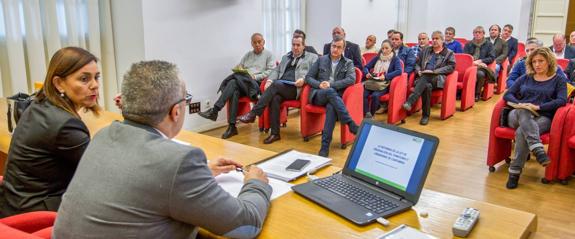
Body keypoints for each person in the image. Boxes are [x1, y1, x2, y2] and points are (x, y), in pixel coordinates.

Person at [52, 60, 272, 238]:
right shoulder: (179, 161)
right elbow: (246, 226)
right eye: (186, 100)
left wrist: (202, 172)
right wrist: (255, 184)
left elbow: (142, 179)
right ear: (175, 112)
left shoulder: (103, 136)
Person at [0, 47, 100, 218]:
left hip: (14, 202)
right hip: (36, 213)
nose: (95, 85)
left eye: (96, 77)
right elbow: (102, 170)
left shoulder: (40, 104)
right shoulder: (65, 124)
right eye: (84, 79)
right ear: (59, 83)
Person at [503, 47, 567, 189]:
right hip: (517, 114)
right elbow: (507, 95)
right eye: (534, 62)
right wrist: (522, 104)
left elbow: (562, 100)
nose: (537, 64)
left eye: (541, 61)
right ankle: (538, 149)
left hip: (543, 116)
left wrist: (538, 107)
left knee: (521, 132)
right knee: (524, 112)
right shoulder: (526, 77)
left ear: (549, 61)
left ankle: (514, 172)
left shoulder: (559, 80)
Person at [237, 36, 318, 144]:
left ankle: (253, 113)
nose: (295, 47)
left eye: (298, 45)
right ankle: (275, 134)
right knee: (275, 98)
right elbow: (276, 70)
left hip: (297, 88)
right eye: (293, 45)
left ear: (304, 46)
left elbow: (314, 74)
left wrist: (303, 80)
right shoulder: (286, 57)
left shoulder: (312, 57)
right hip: (281, 86)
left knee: (275, 85)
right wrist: (269, 80)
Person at [198, 33, 274, 139]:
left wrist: (255, 77)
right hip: (243, 83)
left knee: (234, 80)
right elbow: (240, 67)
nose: (257, 44)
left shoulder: (269, 55)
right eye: (254, 42)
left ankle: (215, 111)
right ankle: (232, 127)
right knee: (234, 87)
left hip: (256, 84)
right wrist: (238, 69)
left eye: (259, 42)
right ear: (251, 43)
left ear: (263, 42)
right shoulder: (248, 55)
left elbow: (271, 72)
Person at [308, 35, 359, 157]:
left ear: (343, 49)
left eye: (338, 47)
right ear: (330, 47)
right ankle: (350, 123)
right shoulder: (321, 60)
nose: (335, 49)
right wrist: (320, 85)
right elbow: (308, 77)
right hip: (319, 95)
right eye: (333, 46)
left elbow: (352, 79)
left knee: (331, 106)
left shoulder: (348, 63)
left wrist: (331, 84)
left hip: (334, 98)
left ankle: (324, 148)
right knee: (330, 92)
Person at [403, 31, 456, 125]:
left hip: (438, 79)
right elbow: (417, 64)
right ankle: (425, 116)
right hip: (422, 79)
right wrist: (418, 70)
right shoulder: (426, 50)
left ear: (442, 40)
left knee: (427, 76)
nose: (434, 40)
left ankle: (411, 101)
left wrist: (434, 72)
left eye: (437, 38)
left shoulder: (449, 53)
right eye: (433, 38)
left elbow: (451, 67)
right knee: (427, 86)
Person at [362, 40, 402, 118]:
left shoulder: (395, 59)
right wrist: (367, 73)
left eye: (386, 48)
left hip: (384, 83)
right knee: (364, 94)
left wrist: (386, 76)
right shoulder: (377, 57)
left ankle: (372, 114)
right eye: (383, 48)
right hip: (373, 81)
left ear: (391, 48)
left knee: (375, 96)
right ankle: (367, 113)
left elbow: (399, 71)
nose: (384, 50)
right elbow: (366, 67)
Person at [464, 26, 496, 102]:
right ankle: (462, 92)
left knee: (480, 74)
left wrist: (481, 61)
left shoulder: (489, 45)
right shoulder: (468, 44)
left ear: (483, 34)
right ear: (473, 34)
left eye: (479, 32)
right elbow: (465, 57)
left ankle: (477, 93)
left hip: (482, 66)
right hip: (470, 65)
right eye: (476, 32)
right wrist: (473, 62)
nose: (477, 34)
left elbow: (491, 58)